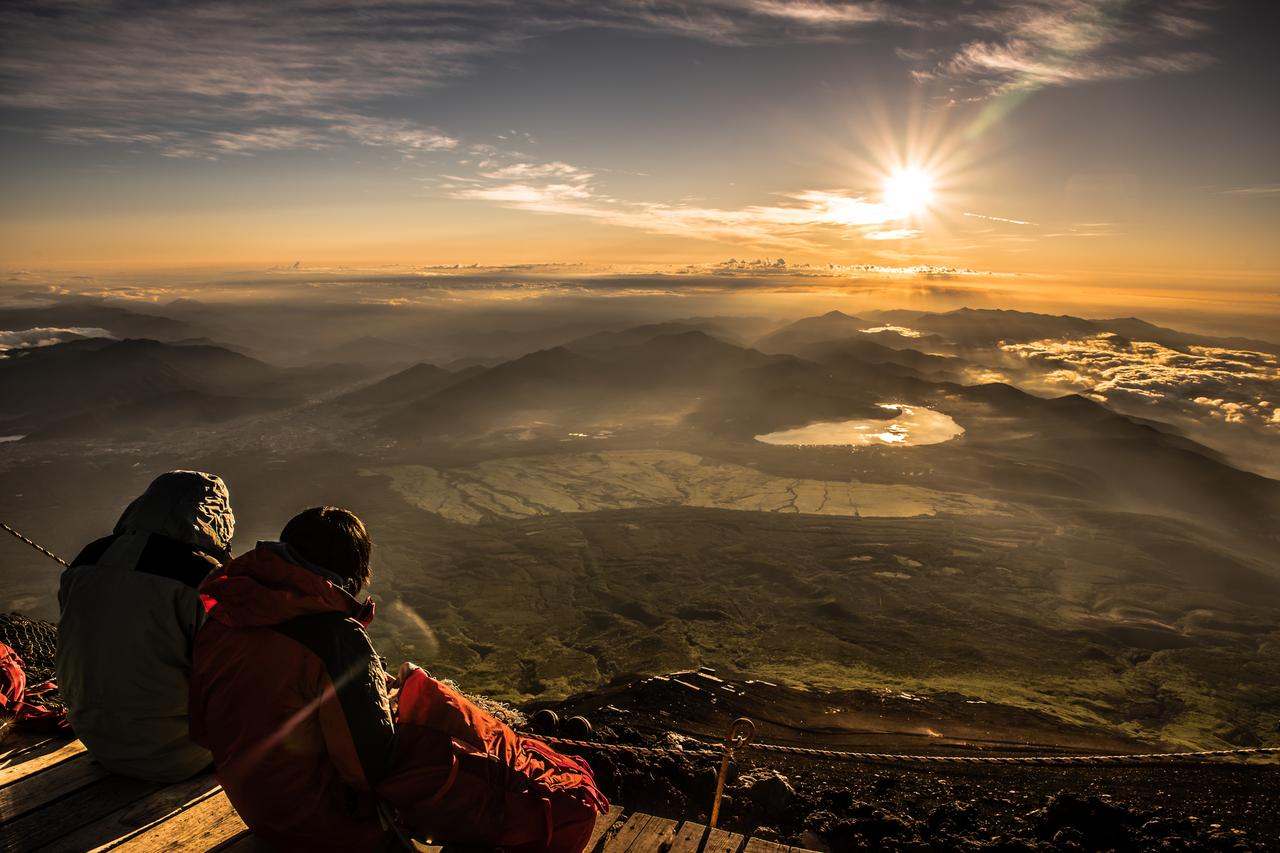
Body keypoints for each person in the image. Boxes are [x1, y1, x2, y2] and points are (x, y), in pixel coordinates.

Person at [189, 506, 606, 853]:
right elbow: (371, 765)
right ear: (353, 573)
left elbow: (205, 727)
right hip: (323, 825)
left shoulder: (226, 615)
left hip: (256, 804)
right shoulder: (335, 640)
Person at [55, 470, 234, 782]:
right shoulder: (201, 577)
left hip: (97, 740)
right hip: (180, 754)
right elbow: (227, 674)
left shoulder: (87, 558)